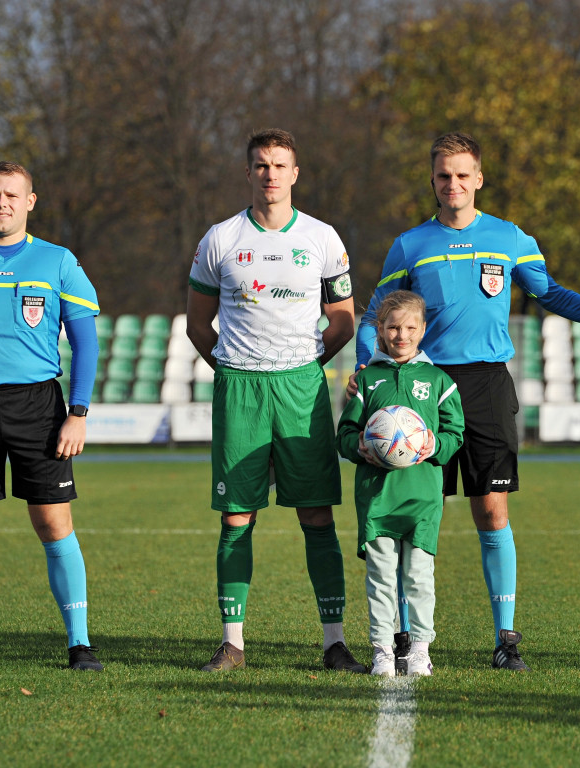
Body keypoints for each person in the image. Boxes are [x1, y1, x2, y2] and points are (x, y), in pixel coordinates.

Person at [354, 131, 580, 671]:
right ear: (433, 181)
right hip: (421, 388)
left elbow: (549, 292)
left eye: (463, 174)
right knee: (412, 515)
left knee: (492, 509)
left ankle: (505, 638)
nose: (453, 183)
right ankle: (400, 634)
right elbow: (376, 314)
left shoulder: (508, 237)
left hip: (487, 386)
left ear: (479, 179)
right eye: (444, 175)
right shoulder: (411, 244)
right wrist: (366, 368)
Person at [187, 129, 365, 673]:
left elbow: (343, 319)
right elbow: (198, 325)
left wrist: (308, 364)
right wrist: (232, 370)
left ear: (295, 173)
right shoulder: (219, 238)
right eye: (261, 165)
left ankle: (334, 643)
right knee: (236, 517)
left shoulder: (322, 238)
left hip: (300, 388)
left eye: (280, 165)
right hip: (240, 386)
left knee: (316, 514)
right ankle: (233, 644)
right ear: (248, 174)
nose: (270, 174)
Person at [0, 161, 102, 671]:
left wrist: (77, 413)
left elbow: (85, 343)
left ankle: (79, 643)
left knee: (54, 522)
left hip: (38, 407)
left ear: (31, 201)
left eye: (12, 195)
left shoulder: (57, 262)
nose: (2, 203)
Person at [337, 290, 464, 677]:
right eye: (393, 327)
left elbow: (455, 433)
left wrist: (432, 445)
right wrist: (359, 447)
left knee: (419, 576)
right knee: (380, 577)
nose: (401, 335)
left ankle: (421, 649)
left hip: (423, 497)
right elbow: (344, 435)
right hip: (378, 498)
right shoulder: (366, 381)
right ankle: (383, 650)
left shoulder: (439, 380)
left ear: (423, 329)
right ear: (380, 330)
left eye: (410, 327)